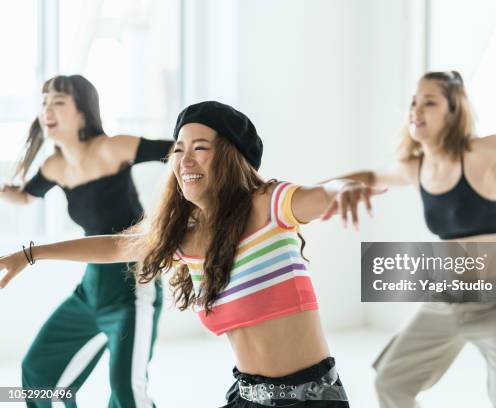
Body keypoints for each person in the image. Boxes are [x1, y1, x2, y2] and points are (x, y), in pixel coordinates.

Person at [1, 101, 385, 407]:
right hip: (245, 397)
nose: (184, 160)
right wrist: (31, 253)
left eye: (200, 148)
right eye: (179, 149)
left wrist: (343, 189)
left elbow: (321, 193)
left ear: (232, 157)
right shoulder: (185, 239)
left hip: (310, 400)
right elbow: (117, 244)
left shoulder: (268, 205)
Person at [334, 71, 496, 407]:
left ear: (453, 111)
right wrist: (332, 187)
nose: (416, 109)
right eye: (413, 101)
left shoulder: (479, 153)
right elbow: (371, 177)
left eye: (429, 102)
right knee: (390, 381)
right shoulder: (416, 168)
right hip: (445, 302)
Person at [0, 74, 174, 408]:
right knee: (39, 373)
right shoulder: (55, 166)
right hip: (91, 289)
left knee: (127, 394)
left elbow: (179, 154)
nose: (48, 110)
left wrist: (169, 220)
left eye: (59, 102)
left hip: (132, 287)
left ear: (82, 111)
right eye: (44, 103)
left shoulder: (113, 147)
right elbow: (24, 198)